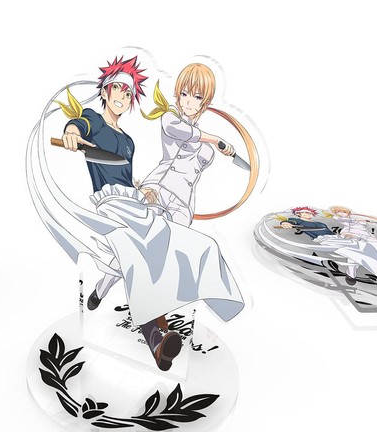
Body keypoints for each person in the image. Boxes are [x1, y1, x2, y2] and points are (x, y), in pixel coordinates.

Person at [57, 56, 244, 371]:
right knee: (147, 248)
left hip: (149, 200)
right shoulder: (102, 120)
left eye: (128, 92)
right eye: (117, 89)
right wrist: (71, 132)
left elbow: (125, 175)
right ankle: (156, 336)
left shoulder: (128, 142)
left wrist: (138, 187)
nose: (123, 96)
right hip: (120, 201)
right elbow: (79, 124)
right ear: (104, 91)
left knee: (164, 252)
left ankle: (109, 290)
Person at [138, 63, 234, 226]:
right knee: (141, 224)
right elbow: (182, 131)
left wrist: (218, 145)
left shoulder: (206, 150)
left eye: (197, 97)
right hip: (158, 187)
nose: (189, 102)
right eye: (184, 94)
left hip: (183, 202)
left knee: (177, 236)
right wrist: (215, 139)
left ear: (206, 102)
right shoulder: (170, 117)